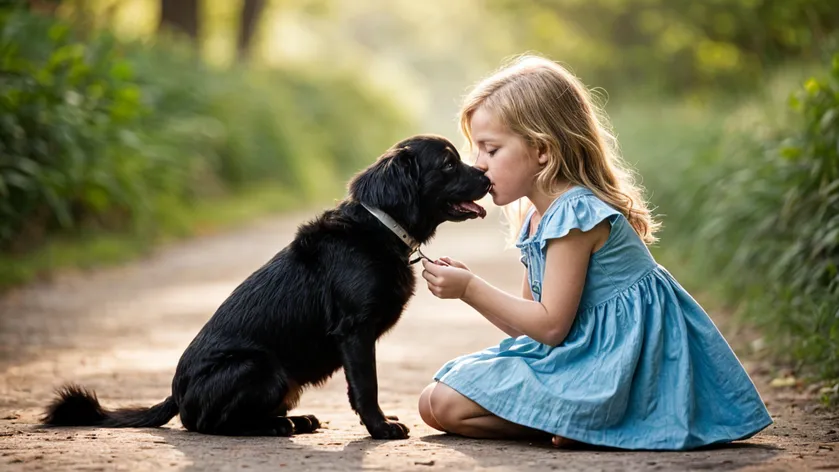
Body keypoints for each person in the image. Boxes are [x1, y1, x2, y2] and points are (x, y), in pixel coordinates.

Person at [417, 55, 772, 450]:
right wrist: (468, 288)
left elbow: (550, 326)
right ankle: (575, 420)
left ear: (543, 151)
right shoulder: (540, 217)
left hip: (617, 368)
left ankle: (592, 421)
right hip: (580, 354)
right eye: (476, 151)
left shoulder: (575, 214)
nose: (478, 166)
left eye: (490, 150)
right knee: (432, 403)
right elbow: (530, 328)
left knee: (448, 404)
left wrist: (470, 288)